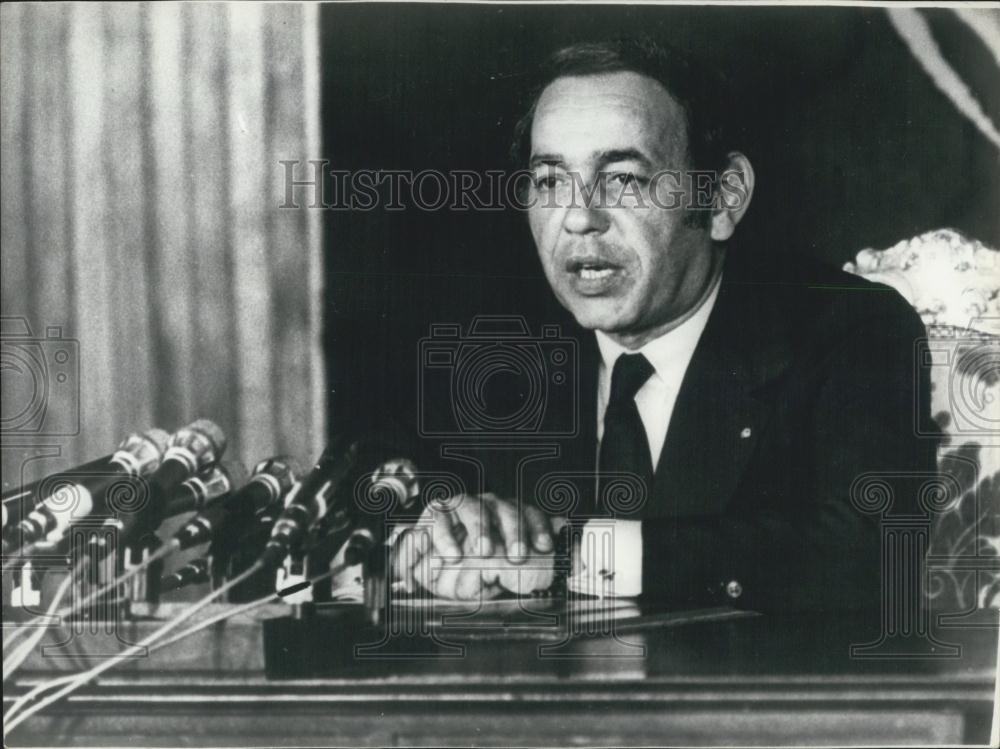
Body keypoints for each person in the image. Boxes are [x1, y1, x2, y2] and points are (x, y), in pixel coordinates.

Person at [388, 37, 938, 613]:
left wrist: (569, 553)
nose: (578, 218)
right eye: (550, 181)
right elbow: (385, 481)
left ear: (723, 198)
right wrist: (421, 547)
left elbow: (869, 552)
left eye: (622, 179)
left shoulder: (849, 330)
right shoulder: (499, 353)